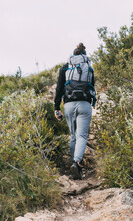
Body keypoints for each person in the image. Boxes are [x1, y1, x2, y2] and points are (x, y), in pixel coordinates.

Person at [54, 43, 96, 180]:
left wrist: (56, 108)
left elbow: (59, 89)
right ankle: (76, 162)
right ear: (84, 55)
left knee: (73, 136)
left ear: (73, 55)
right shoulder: (89, 69)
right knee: (82, 136)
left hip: (69, 105)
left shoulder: (65, 68)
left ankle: (74, 164)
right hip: (84, 104)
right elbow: (92, 87)